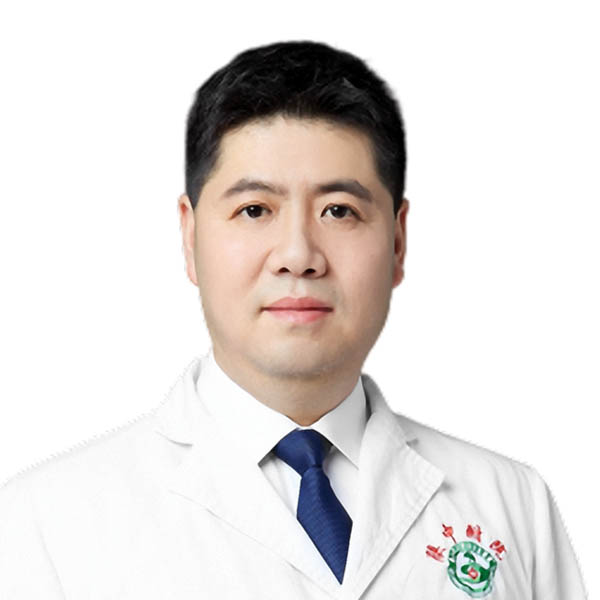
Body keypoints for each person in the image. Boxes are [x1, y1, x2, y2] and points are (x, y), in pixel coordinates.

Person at [0, 40, 587, 599]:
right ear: (190, 234)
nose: (299, 255)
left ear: (398, 240)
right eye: (255, 209)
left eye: (340, 211)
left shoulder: (511, 505)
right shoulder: (48, 523)